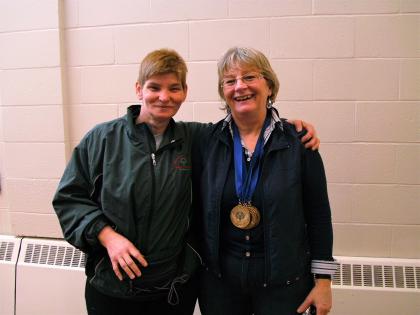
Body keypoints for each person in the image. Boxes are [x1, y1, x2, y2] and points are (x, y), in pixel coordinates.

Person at [52, 48, 320, 315]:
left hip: (173, 289)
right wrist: (107, 237)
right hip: (112, 287)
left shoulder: (195, 138)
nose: (164, 97)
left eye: (174, 88)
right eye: (154, 87)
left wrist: (289, 128)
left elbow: (246, 127)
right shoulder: (103, 140)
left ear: (184, 92)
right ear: (138, 89)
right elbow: (68, 200)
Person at [195, 47, 337, 315]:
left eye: (249, 77)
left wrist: (324, 282)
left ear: (269, 86)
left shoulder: (298, 143)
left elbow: (319, 215)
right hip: (220, 287)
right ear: (223, 91)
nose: (240, 87)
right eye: (230, 81)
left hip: (284, 287)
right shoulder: (206, 142)